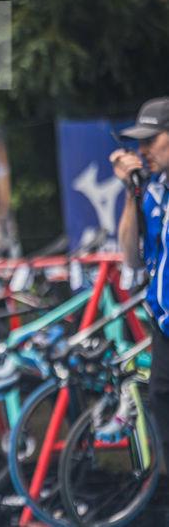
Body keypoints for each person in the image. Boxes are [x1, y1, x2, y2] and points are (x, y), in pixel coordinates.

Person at [111, 96, 169, 470]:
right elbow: (131, 256)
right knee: (160, 400)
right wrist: (131, 193)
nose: (143, 150)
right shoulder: (154, 192)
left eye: (152, 139)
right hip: (164, 324)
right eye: (139, 142)